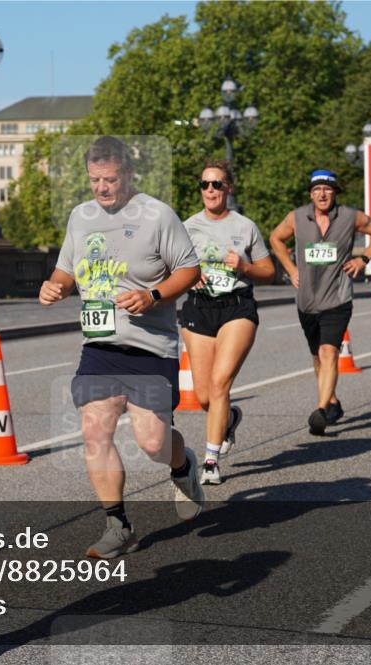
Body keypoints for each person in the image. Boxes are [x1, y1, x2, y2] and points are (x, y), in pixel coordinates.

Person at [39, 136, 203, 558]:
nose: (102, 188)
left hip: (151, 346)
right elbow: (66, 269)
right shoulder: (81, 216)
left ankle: (183, 467)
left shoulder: (157, 215)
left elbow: (189, 269)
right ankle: (118, 525)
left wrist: (154, 296)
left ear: (128, 175)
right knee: (95, 430)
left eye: (110, 179)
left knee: (152, 443)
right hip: (101, 346)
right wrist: (55, 286)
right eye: (95, 180)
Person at [269, 170, 371, 435]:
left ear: (335, 192)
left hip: (338, 297)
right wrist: (290, 268)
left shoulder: (349, 216)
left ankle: (321, 410)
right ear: (311, 194)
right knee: (317, 356)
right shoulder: (297, 217)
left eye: (327, 189)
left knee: (329, 352)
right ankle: (332, 401)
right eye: (317, 190)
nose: (322, 194)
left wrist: (363, 259)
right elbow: (275, 238)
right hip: (307, 300)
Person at [182, 159, 275, 484]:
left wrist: (245, 267)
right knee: (205, 395)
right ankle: (230, 417)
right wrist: (188, 277)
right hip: (198, 308)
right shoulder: (187, 226)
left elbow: (268, 271)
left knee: (221, 383)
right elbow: (168, 268)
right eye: (205, 185)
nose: (210, 190)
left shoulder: (245, 226)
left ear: (228, 188)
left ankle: (210, 461)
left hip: (236, 307)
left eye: (217, 184)